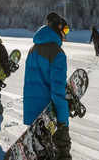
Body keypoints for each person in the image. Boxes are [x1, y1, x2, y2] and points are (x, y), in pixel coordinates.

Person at [23, 12, 72, 160]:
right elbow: (58, 91)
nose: (65, 35)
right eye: (65, 30)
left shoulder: (33, 49)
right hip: (48, 116)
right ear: (58, 28)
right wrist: (63, 122)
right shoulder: (57, 53)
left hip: (32, 114)